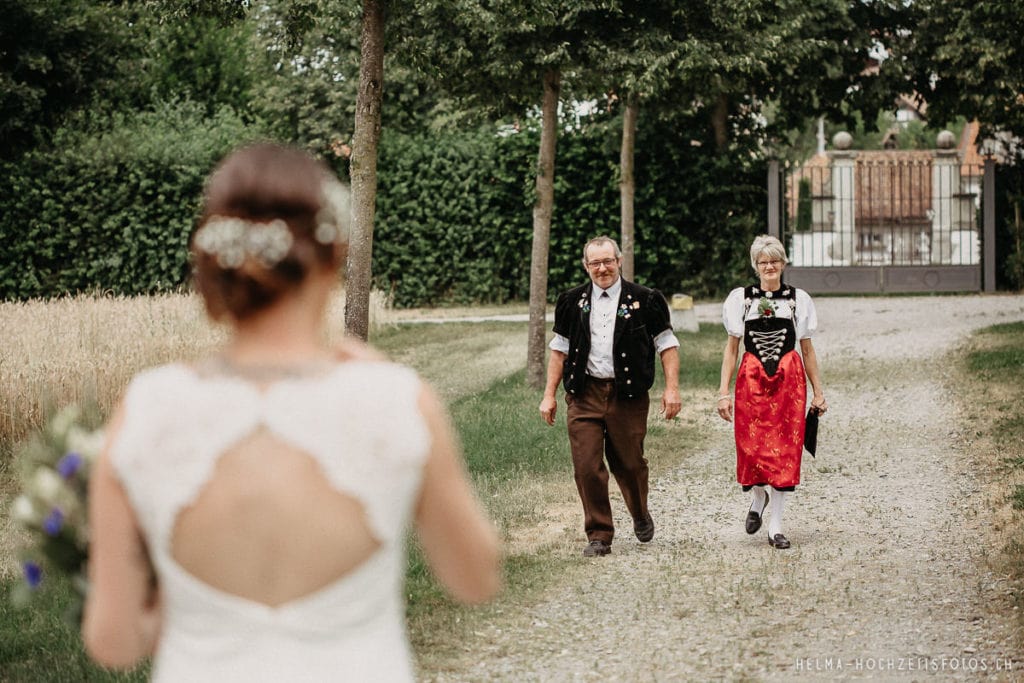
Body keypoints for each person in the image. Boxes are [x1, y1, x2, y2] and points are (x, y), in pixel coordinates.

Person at [82, 143, 501, 681]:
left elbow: (114, 643)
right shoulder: (396, 400)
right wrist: (388, 378)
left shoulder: (146, 408)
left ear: (214, 263)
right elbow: (476, 579)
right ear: (334, 257)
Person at [539, 236, 681, 557]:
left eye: (607, 261)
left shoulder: (646, 299)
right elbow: (559, 351)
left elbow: (667, 344)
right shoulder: (571, 301)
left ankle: (639, 510)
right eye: (595, 263)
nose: (602, 268)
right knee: (586, 465)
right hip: (583, 393)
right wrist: (548, 395)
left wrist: (672, 389)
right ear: (585, 266)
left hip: (627, 394)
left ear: (619, 261)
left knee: (629, 463)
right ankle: (599, 534)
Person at [716, 234, 827, 550]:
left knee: (785, 452)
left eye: (775, 261)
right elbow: (731, 348)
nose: (769, 267)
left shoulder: (798, 299)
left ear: (783, 263)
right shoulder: (742, 299)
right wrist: (723, 392)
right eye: (763, 262)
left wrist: (818, 392)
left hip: (789, 382)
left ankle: (776, 526)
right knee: (751, 448)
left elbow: (807, 349)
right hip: (752, 380)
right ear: (755, 265)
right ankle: (758, 496)